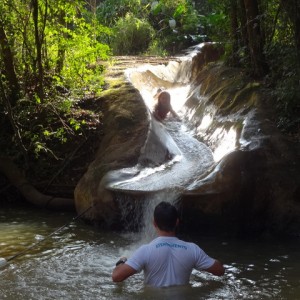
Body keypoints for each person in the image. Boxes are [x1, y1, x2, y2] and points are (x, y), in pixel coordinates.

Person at [112, 201, 225, 288]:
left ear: (154, 223)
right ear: (177, 222)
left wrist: (122, 260)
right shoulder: (193, 250)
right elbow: (220, 271)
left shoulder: (146, 250)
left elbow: (116, 277)